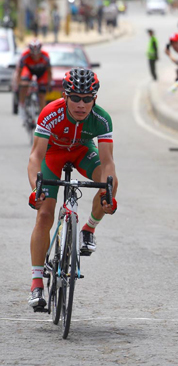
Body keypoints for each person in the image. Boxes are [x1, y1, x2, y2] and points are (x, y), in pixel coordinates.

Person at [27, 68, 118, 310]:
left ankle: (88, 229)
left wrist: (108, 194)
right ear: (65, 96)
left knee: (110, 181)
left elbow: (108, 162)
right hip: (53, 155)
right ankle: (37, 283)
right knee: (45, 214)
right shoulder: (50, 113)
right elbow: (36, 156)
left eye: (87, 99)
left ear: (94, 99)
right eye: (75, 97)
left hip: (81, 152)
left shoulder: (101, 118)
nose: (81, 104)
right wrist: (36, 189)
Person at [17, 39, 52, 124]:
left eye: (37, 54)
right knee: (24, 85)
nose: (35, 56)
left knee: (42, 93)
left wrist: (49, 83)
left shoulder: (45, 56)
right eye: (33, 54)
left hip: (41, 72)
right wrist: (19, 83)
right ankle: (21, 106)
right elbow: (19, 71)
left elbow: (49, 72)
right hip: (29, 71)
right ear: (30, 52)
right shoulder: (25, 56)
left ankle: (42, 116)